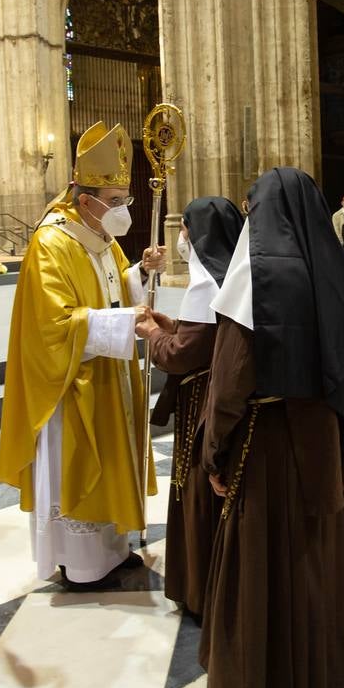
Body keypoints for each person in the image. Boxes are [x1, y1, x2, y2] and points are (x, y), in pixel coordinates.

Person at [199, 167, 344, 688]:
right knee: (316, 552)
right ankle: (328, 668)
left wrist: (213, 451)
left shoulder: (254, 273)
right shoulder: (331, 265)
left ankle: (270, 685)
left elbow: (230, 380)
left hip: (269, 443)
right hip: (327, 437)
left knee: (270, 555)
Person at [0, 122, 165, 591]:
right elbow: (52, 327)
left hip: (109, 371)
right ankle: (82, 563)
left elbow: (112, 292)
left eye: (125, 201)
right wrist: (123, 320)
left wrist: (139, 275)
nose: (121, 211)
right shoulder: (51, 243)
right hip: (72, 383)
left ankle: (114, 550)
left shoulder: (100, 238)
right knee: (84, 464)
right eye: (114, 203)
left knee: (115, 459)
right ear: (84, 197)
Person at [135, 197, 243, 619]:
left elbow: (183, 356)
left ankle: (201, 587)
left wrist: (152, 334)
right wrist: (172, 326)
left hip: (203, 402)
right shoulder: (229, 277)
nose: (180, 238)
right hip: (211, 394)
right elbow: (199, 338)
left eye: (184, 230)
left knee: (197, 487)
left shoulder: (206, 284)